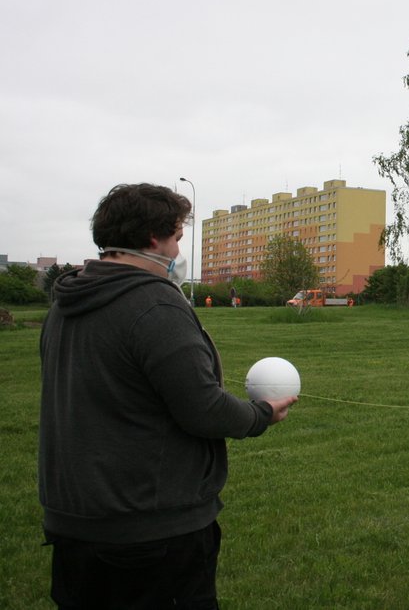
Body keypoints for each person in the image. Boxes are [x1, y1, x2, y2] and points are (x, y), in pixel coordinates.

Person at [38, 183, 297, 608]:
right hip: (149, 536)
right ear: (153, 239)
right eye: (177, 238)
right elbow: (204, 408)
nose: (178, 252)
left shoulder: (65, 303)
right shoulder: (154, 304)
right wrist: (260, 415)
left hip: (75, 529)